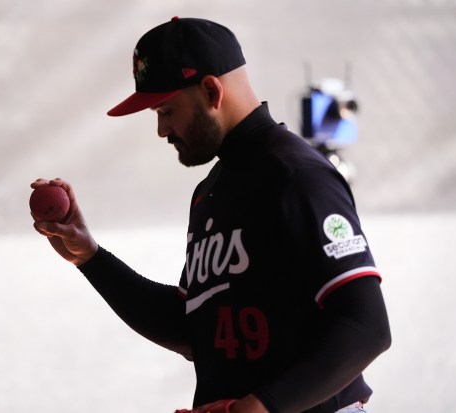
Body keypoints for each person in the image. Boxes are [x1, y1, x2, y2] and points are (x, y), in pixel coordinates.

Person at [30, 17, 391, 413]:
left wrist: (260, 406)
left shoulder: (296, 175)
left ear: (210, 90)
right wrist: (90, 258)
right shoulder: (211, 191)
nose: (161, 129)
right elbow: (190, 329)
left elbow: (366, 327)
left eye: (166, 110)